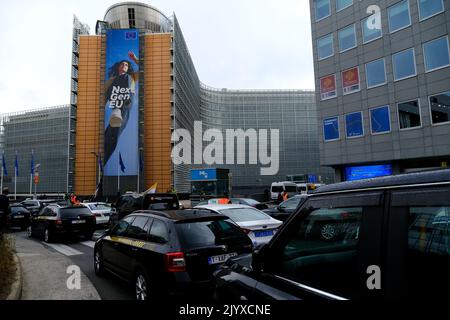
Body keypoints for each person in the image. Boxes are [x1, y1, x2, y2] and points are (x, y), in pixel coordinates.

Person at [104, 51, 139, 166]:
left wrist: (134, 58)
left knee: (115, 134)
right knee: (108, 136)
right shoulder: (112, 80)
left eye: (126, 65)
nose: (124, 66)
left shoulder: (132, 77)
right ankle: (103, 160)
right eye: (122, 64)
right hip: (115, 109)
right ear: (118, 67)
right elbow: (104, 96)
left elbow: (144, 67)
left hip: (124, 109)